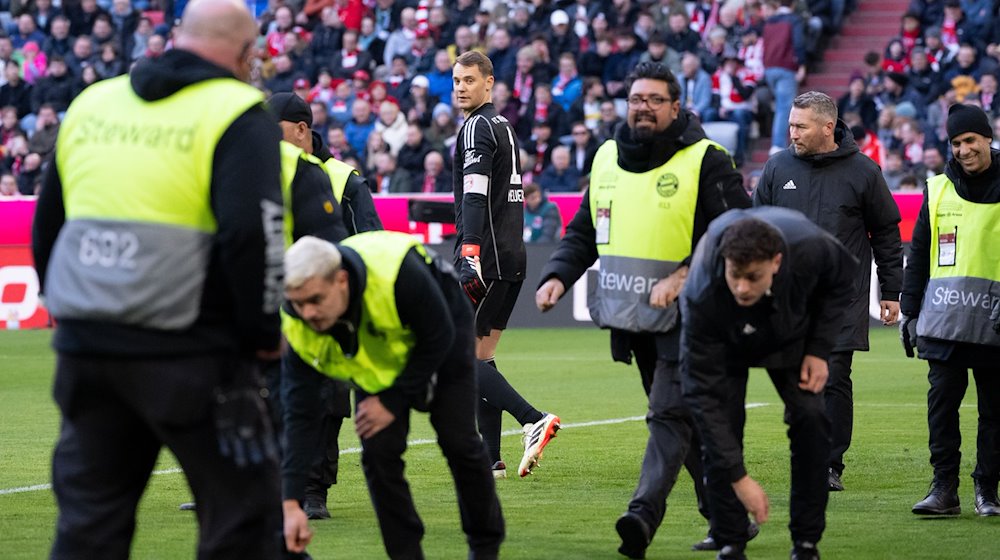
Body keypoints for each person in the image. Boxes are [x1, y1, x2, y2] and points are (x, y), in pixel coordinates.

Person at [31, 0, 286, 557]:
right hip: (191, 353)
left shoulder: (93, 102)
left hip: (87, 352)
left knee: (88, 525)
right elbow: (254, 237)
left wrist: (74, 314)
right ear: (247, 54)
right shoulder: (238, 111)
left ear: (177, 35)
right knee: (241, 522)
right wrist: (262, 339)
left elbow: (47, 225)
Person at [534, 61, 751, 558]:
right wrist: (557, 277)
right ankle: (729, 518)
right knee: (688, 425)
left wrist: (683, 274)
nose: (644, 108)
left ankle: (641, 516)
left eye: (655, 100)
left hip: (697, 320)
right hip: (635, 321)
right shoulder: (607, 156)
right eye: (636, 99)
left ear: (676, 107)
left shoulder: (707, 159)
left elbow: (740, 232)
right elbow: (586, 230)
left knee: (668, 416)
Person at [279, 232, 505, 559]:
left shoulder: (397, 276)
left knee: (460, 443)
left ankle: (485, 547)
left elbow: (438, 336)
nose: (307, 313)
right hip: (380, 356)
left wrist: (392, 401)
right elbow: (299, 415)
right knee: (378, 454)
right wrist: (290, 503)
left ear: (341, 281)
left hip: (440, 332)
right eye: (298, 304)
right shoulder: (298, 322)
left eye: (315, 300)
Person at [681, 207, 858, 560]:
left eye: (753, 276)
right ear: (723, 262)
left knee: (811, 419)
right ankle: (730, 541)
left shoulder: (813, 248)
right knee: (721, 430)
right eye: (735, 275)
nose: (742, 287)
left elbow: (842, 283)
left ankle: (806, 543)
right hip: (725, 339)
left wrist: (819, 350)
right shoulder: (701, 291)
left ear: (776, 262)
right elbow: (703, 399)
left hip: (789, 333)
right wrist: (739, 477)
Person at [753, 91, 903, 492]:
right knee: (794, 377)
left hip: (842, 297)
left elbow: (887, 232)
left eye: (800, 126)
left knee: (834, 375)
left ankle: (828, 463)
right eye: (790, 124)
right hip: (786, 298)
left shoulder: (863, 172)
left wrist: (892, 289)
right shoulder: (777, 167)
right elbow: (755, 228)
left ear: (827, 127)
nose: (792, 133)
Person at [451, 50, 561, 479]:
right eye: (457, 80)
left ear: (489, 83)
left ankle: (532, 419)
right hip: (511, 254)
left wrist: (470, 254)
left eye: (469, 80)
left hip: (489, 257)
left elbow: (476, 194)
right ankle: (490, 458)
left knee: (461, 357)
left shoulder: (476, 126)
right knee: (482, 355)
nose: (461, 87)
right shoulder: (503, 126)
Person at [901, 103, 1000, 518]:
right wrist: (908, 311)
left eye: (970, 140)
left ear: (988, 138)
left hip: (994, 322)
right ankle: (944, 488)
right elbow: (919, 252)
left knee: (994, 411)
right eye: (956, 143)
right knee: (941, 406)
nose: (963, 150)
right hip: (944, 321)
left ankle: (987, 491)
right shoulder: (936, 188)